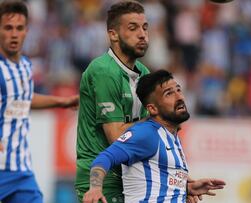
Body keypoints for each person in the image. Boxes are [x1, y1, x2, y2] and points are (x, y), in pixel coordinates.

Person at [83, 70, 226, 203]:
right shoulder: (146, 134)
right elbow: (105, 157)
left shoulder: (173, 138)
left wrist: (187, 189)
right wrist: (95, 188)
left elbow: (159, 183)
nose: (179, 97)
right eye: (169, 94)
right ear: (152, 108)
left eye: (178, 89)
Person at [0, 1, 79, 203]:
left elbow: (25, 99)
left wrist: (62, 102)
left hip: (21, 169)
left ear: (27, 31)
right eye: (8, 28)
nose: (14, 34)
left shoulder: (25, 66)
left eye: (19, 28)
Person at [75, 1, 151, 202]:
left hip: (131, 177)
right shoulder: (103, 71)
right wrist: (155, 119)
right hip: (101, 180)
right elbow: (117, 135)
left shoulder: (144, 73)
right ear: (113, 34)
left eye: (145, 27)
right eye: (133, 28)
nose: (142, 34)